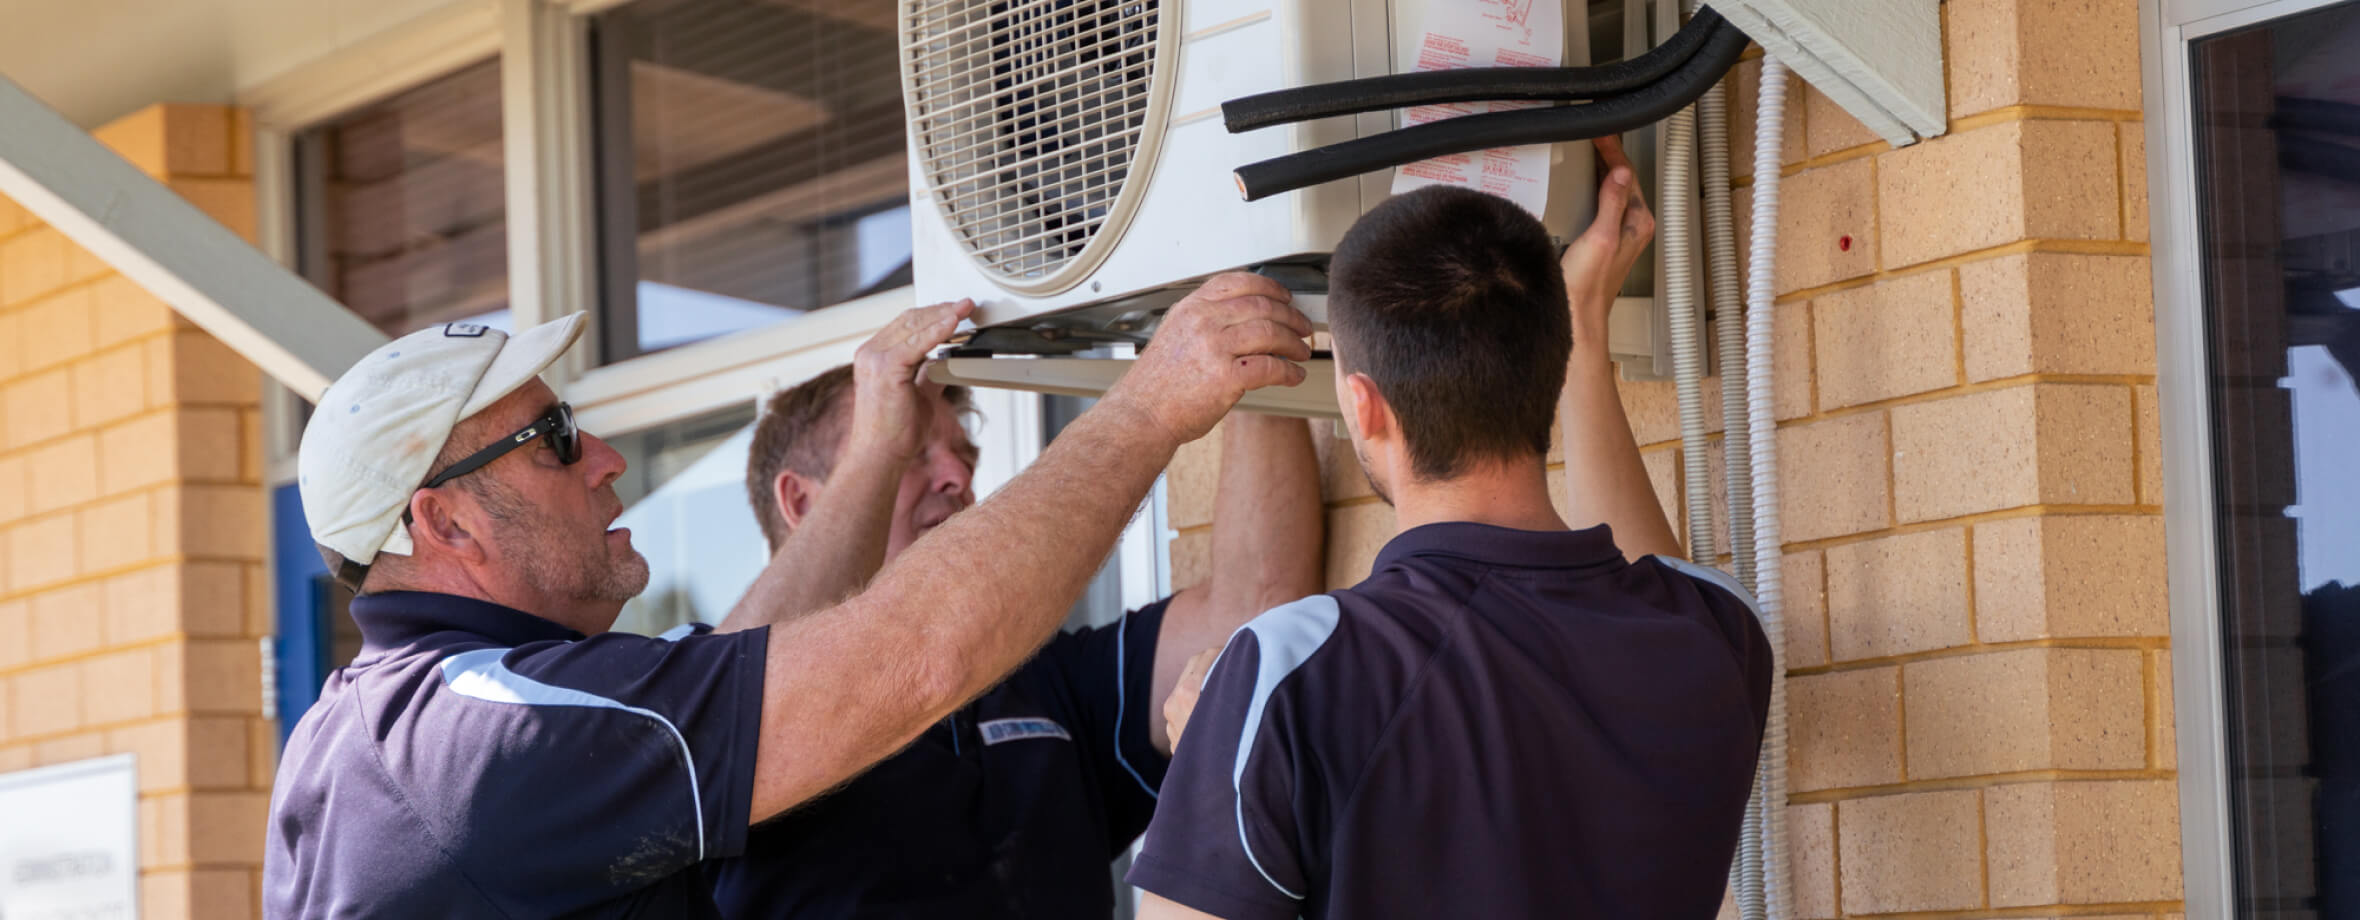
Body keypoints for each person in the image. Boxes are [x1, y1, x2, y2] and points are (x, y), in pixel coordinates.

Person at [262, 275, 1313, 918]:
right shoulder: (483, 735)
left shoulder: (388, 724)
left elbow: (742, 661)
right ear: (445, 522)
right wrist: (1150, 403)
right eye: (558, 442)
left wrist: (877, 449)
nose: (610, 459)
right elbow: (914, 654)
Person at [1128, 140, 1774, 919]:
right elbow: (1640, 576)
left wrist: (1224, 755)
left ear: (1363, 407)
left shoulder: (1292, 671)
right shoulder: (1717, 637)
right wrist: (1584, 331)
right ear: (1547, 371)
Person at [701, 354, 1322, 918]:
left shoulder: (1036, 680)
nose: (956, 476)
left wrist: (1250, 355)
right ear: (802, 504)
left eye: (963, 456)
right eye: (909, 452)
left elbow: (1253, 615)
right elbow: (727, 703)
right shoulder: (707, 723)